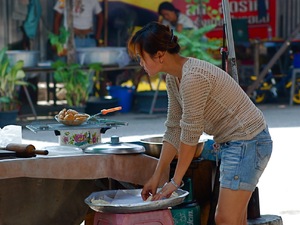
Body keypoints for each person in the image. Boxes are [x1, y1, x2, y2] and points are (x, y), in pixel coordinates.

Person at [127, 21, 272, 225]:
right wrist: (157, 176)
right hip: (236, 143)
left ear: (159, 55)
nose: (140, 63)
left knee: (225, 219)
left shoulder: (192, 78)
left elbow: (190, 136)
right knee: (233, 221)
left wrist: (175, 182)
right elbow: (173, 129)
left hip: (248, 141)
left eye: (141, 57)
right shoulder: (173, 78)